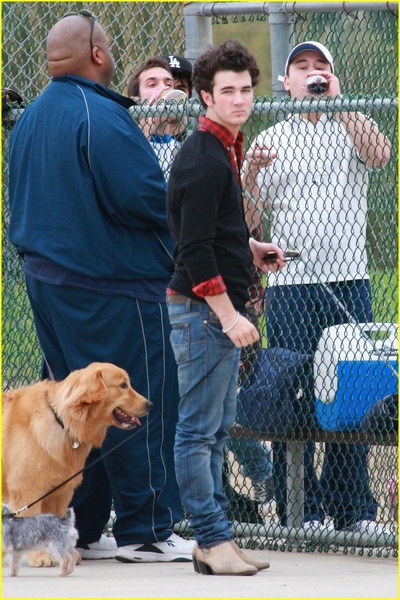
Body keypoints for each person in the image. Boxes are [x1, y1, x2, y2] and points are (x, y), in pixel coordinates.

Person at [8, 11, 194, 564]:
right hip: (112, 287)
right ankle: (148, 530)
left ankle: (82, 528)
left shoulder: (32, 116)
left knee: (77, 412)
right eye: (108, 47)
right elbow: (143, 199)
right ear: (94, 53)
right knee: (134, 406)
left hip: (48, 284)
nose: (113, 56)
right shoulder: (101, 114)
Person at [245, 41, 391, 535]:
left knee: (352, 393)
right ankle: (300, 508)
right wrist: (249, 176)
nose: (311, 74)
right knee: (297, 393)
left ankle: (354, 509)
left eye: (320, 67)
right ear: (284, 83)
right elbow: (249, 220)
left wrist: (340, 100)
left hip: (349, 277)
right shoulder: (273, 137)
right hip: (292, 282)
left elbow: (381, 155)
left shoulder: (351, 126)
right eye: (301, 68)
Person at [166, 40, 286, 576]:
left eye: (245, 90)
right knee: (197, 431)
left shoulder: (226, 147)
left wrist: (252, 250)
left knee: (217, 431)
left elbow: (214, 231)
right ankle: (212, 541)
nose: (240, 100)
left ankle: (216, 542)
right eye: (227, 92)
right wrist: (228, 315)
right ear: (205, 96)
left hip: (213, 310)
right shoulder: (202, 157)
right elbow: (191, 250)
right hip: (202, 314)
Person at [127, 56, 182, 178]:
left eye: (168, 84)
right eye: (152, 84)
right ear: (136, 101)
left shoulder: (181, 150)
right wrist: (150, 122)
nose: (163, 89)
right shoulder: (126, 143)